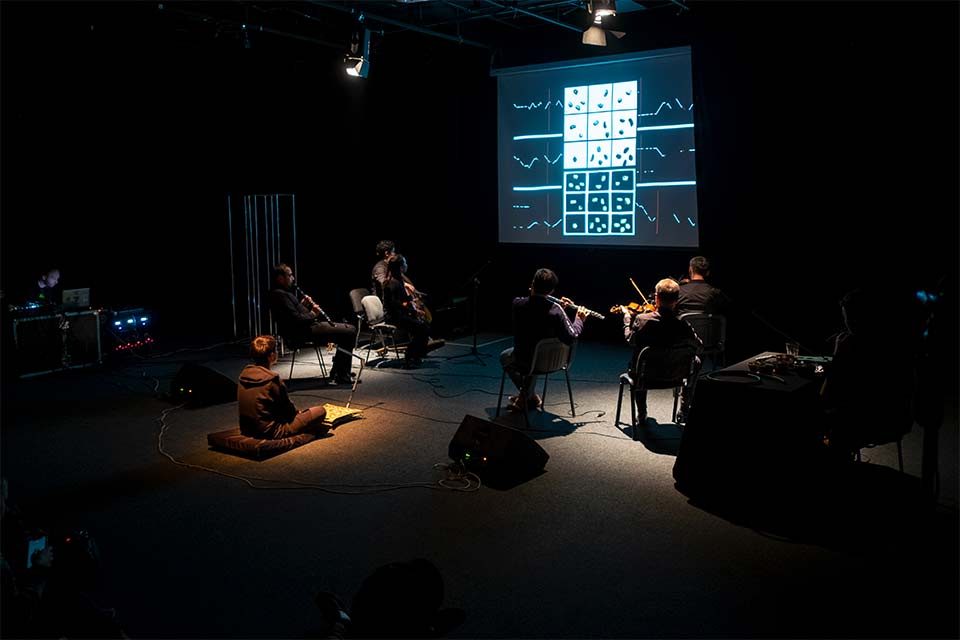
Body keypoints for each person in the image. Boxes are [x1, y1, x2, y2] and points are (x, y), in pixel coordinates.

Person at [820, 288, 916, 457]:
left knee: (817, 416)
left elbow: (827, 396)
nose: (847, 324)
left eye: (848, 318)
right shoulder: (896, 342)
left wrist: (838, 354)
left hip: (870, 423)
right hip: (900, 420)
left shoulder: (855, 348)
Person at [500, 268, 587, 412]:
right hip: (552, 361)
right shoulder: (556, 311)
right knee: (534, 354)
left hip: (528, 361)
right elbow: (572, 335)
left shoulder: (517, 304)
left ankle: (526, 396)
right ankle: (528, 396)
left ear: (532, 284)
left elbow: (535, 308)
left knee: (505, 356)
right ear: (552, 290)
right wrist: (579, 319)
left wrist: (554, 304)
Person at [621, 278, 703, 423]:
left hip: (645, 378)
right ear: (676, 301)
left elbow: (630, 340)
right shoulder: (683, 326)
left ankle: (642, 413)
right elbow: (699, 346)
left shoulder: (642, 319)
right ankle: (684, 408)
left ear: (656, 298)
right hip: (676, 377)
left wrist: (627, 321)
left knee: (639, 359)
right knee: (695, 360)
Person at [268, 263, 357, 385]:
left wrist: (304, 305)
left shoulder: (284, 293)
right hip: (302, 333)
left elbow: (297, 314)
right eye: (290, 275)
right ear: (280, 278)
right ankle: (342, 374)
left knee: (349, 330)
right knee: (349, 331)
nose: (293, 278)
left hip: (307, 328)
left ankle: (339, 371)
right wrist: (313, 313)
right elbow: (297, 320)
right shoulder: (279, 295)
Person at [237, 335, 330, 439]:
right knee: (320, 411)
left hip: (247, 429)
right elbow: (289, 413)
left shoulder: (244, 375)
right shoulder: (272, 379)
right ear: (272, 355)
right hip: (271, 432)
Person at [382, 254, 432, 368]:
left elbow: (403, 302)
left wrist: (413, 306)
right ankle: (410, 356)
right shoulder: (392, 283)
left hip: (401, 314)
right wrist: (413, 312)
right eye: (404, 263)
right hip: (394, 317)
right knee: (422, 328)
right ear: (400, 267)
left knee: (424, 325)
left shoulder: (398, 281)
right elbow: (396, 305)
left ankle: (417, 354)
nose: (406, 265)